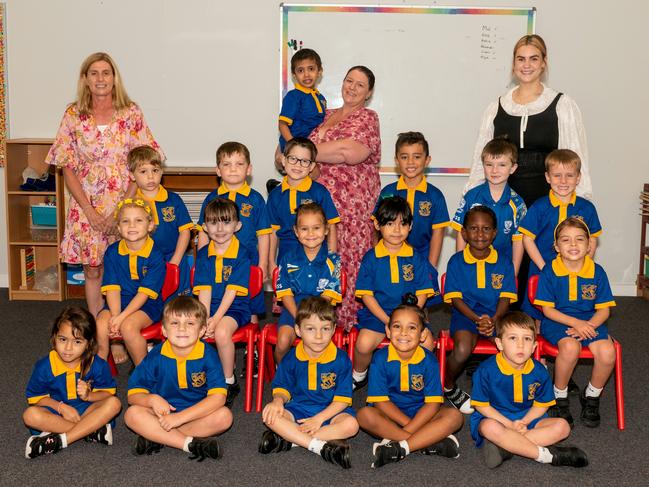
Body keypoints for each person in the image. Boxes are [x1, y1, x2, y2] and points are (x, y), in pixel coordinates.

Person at [45, 52, 163, 318]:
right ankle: (102, 332)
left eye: (106, 73)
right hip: (85, 205)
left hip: (125, 204)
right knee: (93, 269)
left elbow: (143, 160)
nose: (100, 79)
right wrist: (89, 211)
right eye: (94, 73)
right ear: (85, 79)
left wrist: (121, 208)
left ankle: (120, 326)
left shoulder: (131, 112)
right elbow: (67, 165)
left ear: (114, 78)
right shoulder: (73, 114)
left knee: (121, 266)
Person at [466, 34, 591, 207]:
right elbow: (481, 162)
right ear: (514, 64)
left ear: (543, 63)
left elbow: (576, 161)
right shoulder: (495, 108)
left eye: (533, 59)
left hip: (549, 205)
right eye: (521, 59)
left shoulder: (562, 105)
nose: (526, 65)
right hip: (504, 206)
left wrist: (580, 208)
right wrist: (473, 202)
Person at [309, 65, 381, 331]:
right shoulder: (321, 114)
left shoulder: (368, 117)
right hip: (316, 206)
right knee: (316, 262)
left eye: (360, 84)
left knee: (349, 265)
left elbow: (348, 152)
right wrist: (298, 152)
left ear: (369, 92)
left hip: (353, 209)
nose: (352, 87)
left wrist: (303, 152)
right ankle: (316, 328)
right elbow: (283, 151)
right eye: (349, 80)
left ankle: (347, 328)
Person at [470, 311, 588, 469]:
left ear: (534, 346)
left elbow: (542, 404)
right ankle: (547, 456)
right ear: (499, 344)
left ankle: (506, 447)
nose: (520, 345)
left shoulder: (539, 371)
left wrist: (524, 421)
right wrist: (508, 424)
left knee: (563, 427)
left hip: (528, 419)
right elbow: (481, 406)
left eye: (526, 339)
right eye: (513, 338)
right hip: (497, 419)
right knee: (488, 427)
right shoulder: (485, 370)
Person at [357, 300, 463, 468]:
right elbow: (380, 401)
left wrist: (411, 427)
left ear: (423, 335)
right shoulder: (379, 358)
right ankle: (424, 441)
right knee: (364, 415)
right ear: (388, 331)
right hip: (390, 417)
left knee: (455, 417)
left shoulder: (429, 361)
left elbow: (433, 403)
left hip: (422, 415)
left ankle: (399, 447)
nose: (404, 333)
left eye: (412, 327)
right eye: (397, 326)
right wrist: (411, 428)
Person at [125, 296, 232, 461]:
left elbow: (218, 398)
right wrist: (151, 399)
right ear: (164, 330)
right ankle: (189, 444)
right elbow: (133, 395)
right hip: (161, 415)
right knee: (131, 415)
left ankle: (158, 436)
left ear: (202, 330)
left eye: (190, 324)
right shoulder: (155, 356)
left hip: (195, 415)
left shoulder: (208, 355)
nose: (182, 329)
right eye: (174, 323)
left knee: (225, 417)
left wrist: (178, 418)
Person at [534, 217, 616, 428]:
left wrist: (589, 326)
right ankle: (559, 396)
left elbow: (604, 310)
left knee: (608, 352)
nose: (573, 245)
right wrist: (576, 323)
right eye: (566, 240)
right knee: (570, 348)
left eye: (579, 239)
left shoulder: (597, 272)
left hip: (591, 323)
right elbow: (547, 310)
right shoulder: (550, 271)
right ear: (556, 246)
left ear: (589, 245)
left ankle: (592, 396)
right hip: (557, 321)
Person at [259, 296, 358, 469]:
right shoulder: (291, 358)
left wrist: (318, 419)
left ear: (334, 329)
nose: (319, 336)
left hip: (330, 412)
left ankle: (291, 440)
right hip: (297, 409)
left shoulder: (341, 360)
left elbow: (342, 400)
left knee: (351, 425)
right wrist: (277, 401)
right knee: (270, 416)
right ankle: (319, 446)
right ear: (298, 330)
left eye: (325, 329)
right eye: (310, 329)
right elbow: (282, 388)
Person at [353, 196, 438, 390]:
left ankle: (421, 378)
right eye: (390, 224)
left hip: (409, 315)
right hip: (379, 315)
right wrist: (387, 321)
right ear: (378, 225)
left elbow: (423, 292)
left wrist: (410, 318)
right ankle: (359, 375)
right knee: (364, 343)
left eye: (403, 224)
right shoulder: (371, 258)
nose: (397, 230)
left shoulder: (416, 257)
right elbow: (367, 296)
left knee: (427, 344)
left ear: (411, 226)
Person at [443, 206, 517, 414]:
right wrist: (477, 319)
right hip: (466, 315)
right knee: (463, 349)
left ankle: (505, 392)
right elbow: (455, 299)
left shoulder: (503, 262)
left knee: (511, 347)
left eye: (486, 229)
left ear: (494, 233)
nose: (480, 234)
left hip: (497, 316)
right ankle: (448, 386)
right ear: (464, 233)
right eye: (473, 228)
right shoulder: (456, 261)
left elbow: (505, 296)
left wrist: (493, 319)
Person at [23, 307, 120, 459]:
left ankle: (61, 440)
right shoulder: (44, 366)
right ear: (54, 337)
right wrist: (61, 408)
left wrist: (89, 396)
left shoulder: (97, 364)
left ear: (88, 344)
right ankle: (91, 432)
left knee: (115, 403)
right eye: (63, 339)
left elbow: (108, 393)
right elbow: (36, 398)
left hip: (88, 411)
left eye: (77, 342)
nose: (68, 348)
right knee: (30, 415)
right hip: (58, 415)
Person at [519, 149, 601, 322]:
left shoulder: (587, 208)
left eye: (569, 175)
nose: (563, 181)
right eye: (557, 175)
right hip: (543, 269)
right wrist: (544, 267)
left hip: (575, 269)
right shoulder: (540, 206)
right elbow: (527, 238)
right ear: (548, 177)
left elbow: (592, 238)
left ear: (578, 178)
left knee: (573, 309)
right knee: (540, 314)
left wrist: (586, 263)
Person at [197, 141, 272, 320]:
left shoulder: (256, 199)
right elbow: (203, 231)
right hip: (218, 258)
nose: (233, 169)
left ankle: (251, 339)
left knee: (251, 300)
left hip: (249, 259)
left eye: (239, 164)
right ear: (218, 170)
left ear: (249, 169)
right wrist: (202, 257)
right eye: (226, 164)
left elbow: (263, 234)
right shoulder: (211, 198)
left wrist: (262, 265)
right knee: (218, 295)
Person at [194, 198, 251, 407]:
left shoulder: (242, 253)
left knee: (221, 332)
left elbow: (232, 290)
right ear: (205, 227)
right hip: (209, 307)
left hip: (236, 306)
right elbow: (205, 289)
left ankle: (229, 381)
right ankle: (195, 378)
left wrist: (216, 319)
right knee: (190, 327)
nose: (219, 228)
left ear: (237, 226)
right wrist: (205, 317)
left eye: (226, 222)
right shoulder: (202, 254)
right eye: (213, 222)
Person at [96, 199, 166, 365]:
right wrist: (114, 316)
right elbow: (112, 288)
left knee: (128, 327)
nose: (132, 226)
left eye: (138, 220)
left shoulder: (155, 254)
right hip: (119, 302)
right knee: (100, 324)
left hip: (148, 304)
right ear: (119, 228)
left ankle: (143, 371)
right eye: (126, 221)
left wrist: (121, 318)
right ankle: (100, 370)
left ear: (150, 225)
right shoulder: (112, 252)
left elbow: (144, 294)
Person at [274, 203, 342, 363]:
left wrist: (312, 318)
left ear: (326, 230)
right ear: (296, 232)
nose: (310, 234)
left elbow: (329, 295)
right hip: (294, 310)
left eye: (316, 228)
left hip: (322, 311)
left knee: (319, 343)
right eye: (304, 229)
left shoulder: (333, 260)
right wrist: (299, 316)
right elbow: (285, 293)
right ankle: (282, 374)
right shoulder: (287, 259)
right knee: (283, 341)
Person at [452, 137, 526, 274]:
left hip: (502, 269)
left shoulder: (518, 203)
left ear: (513, 168)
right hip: (471, 266)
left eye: (502, 165)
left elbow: (518, 240)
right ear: (483, 165)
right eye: (489, 164)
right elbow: (461, 233)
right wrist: (460, 266)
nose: (494, 170)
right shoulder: (471, 197)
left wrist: (513, 273)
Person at [375, 131, 449, 268]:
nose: (410, 162)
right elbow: (377, 229)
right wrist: (377, 262)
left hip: (423, 262)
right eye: (404, 157)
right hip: (390, 261)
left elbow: (438, 235)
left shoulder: (435, 196)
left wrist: (430, 270)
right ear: (396, 160)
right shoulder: (388, 193)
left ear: (427, 160)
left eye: (417, 157)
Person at [267, 137, 339, 274]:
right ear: (283, 160)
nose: (298, 165)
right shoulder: (275, 195)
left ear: (312, 166)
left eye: (305, 161)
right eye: (293, 158)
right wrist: (271, 262)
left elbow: (332, 226)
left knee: (316, 294)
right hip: (286, 254)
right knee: (287, 294)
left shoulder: (319, 192)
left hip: (318, 254)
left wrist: (332, 258)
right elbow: (273, 232)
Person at [129, 145, 193, 297]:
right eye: (143, 171)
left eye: (155, 170)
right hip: (146, 261)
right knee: (149, 301)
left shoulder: (174, 200)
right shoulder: (131, 204)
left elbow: (185, 232)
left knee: (180, 305)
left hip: (175, 258)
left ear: (162, 171)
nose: (150, 177)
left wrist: (175, 261)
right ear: (132, 175)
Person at [277, 48, 326, 156]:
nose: (306, 74)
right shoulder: (293, 96)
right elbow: (282, 124)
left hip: (310, 148)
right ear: (294, 75)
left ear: (319, 72)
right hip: (295, 150)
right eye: (300, 70)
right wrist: (293, 145)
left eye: (311, 69)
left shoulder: (320, 97)